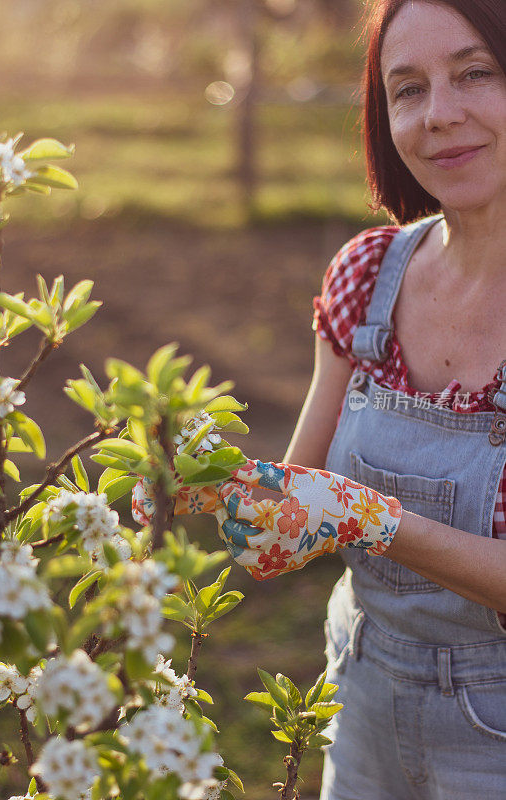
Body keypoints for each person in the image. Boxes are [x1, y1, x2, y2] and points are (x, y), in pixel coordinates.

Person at [132, 0, 506, 796]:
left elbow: (343, 509)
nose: (439, 115)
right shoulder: (366, 278)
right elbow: (290, 518)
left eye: (476, 72)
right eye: (407, 89)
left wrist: (369, 517)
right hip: (361, 691)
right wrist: (212, 489)